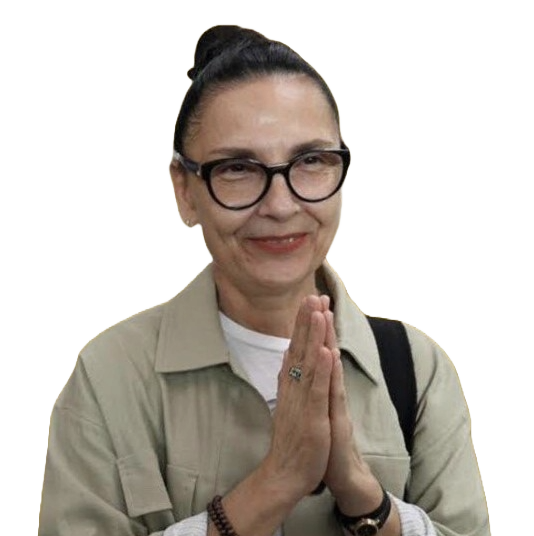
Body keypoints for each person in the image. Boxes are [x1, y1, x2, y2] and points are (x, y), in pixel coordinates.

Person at [38, 25, 491, 536]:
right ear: (185, 191)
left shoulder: (416, 369)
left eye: (311, 161)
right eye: (237, 168)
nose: (280, 205)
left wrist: (364, 498)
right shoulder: (109, 377)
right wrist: (276, 482)